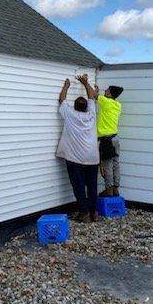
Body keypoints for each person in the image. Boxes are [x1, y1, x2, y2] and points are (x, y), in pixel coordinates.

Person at [56, 74, 100, 222]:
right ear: (87, 106)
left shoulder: (69, 114)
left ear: (74, 106)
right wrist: (85, 83)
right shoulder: (92, 115)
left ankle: (84, 213)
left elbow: (61, 100)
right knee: (92, 186)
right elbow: (91, 97)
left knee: (79, 185)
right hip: (92, 158)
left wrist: (66, 86)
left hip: (75, 159)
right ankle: (94, 213)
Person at [94, 84, 123, 197]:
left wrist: (86, 83)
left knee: (107, 164)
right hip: (115, 138)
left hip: (107, 140)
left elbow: (93, 95)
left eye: (106, 90)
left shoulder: (106, 102)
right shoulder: (118, 105)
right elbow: (98, 96)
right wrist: (98, 93)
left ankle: (109, 190)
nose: (104, 90)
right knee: (116, 163)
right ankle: (115, 188)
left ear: (110, 94)